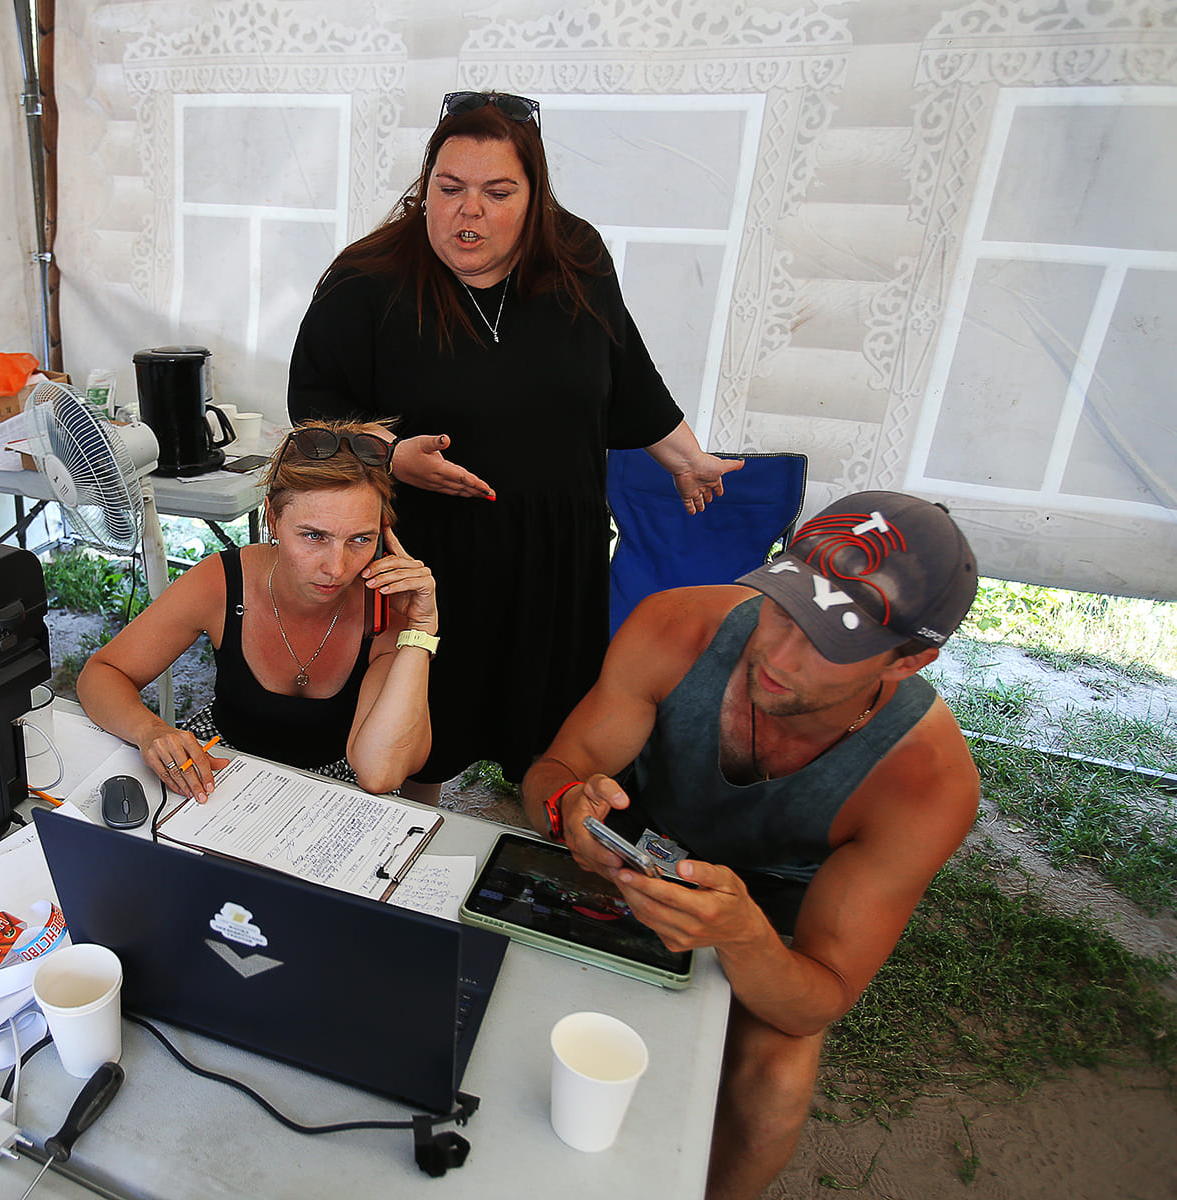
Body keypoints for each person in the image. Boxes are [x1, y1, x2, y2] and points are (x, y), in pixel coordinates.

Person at [520, 491, 981, 1200]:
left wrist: (742, 937)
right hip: (632, 852)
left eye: (831, 642)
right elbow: (554, 773)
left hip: (774, 914)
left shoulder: (926, 783)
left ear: (907, 661)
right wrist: (569, 811)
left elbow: (818, 997)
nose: (779, 654)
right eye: (783, 606)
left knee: (774, 1084)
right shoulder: (677, 627)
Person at [289, 90, 742, 799]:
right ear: (425, 186)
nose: (469, 211)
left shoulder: (576, 256)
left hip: (557, 554)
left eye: (498, 193)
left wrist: (687, 459)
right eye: (449, 189)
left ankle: (548, 832)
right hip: (434, 554)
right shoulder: (367, 281)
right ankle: (412, 847)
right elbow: (316, 413)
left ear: (535, 197)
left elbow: (624, 371)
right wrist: (391, 455)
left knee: (553, 737)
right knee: (422, 737)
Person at [77, 420, 438, 798]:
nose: (337, 567)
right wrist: (149, 730)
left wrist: (420, 629)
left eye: (360, 539)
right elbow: (102, 674)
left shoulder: (385, 607)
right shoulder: (224, 581)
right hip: (223, 770)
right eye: (314, 536)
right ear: (273, 519)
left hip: (335, 792)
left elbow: (380, 773)